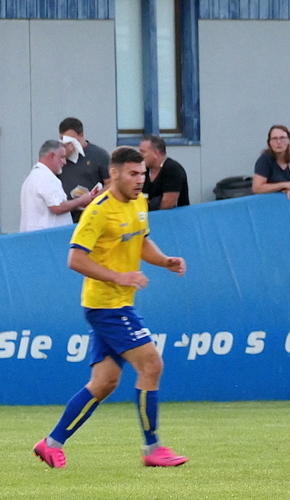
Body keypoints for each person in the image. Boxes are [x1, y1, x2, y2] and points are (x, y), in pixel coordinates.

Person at [32, 146, 188, 469]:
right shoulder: (98, 211)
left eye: (142, 174)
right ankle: (153, 448)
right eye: (133, 174)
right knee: (152, 365)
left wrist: (165, 261)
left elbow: (140, 240)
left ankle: (51, 443)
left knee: (104, 383)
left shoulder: (139, 202)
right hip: (106, 306)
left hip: (117, 303)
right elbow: (75, 259)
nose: (140, 180)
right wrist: (120, 277)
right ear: (114, 173)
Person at [20, 140, 95, 232]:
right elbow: (57, 207)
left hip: (34, 234)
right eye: (62, 157)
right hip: (48, 236)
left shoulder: (32, 176)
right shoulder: (46, 177)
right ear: (52, 156)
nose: (64, 162)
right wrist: (81, 200)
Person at [58, 117, 110, 223]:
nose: (68, 145)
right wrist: (62, 157)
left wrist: (94, 198)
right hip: (65, 214)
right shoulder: (58, 157)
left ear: (81, 135)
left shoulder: (99, 155)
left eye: (71, 140)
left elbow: (111, 183)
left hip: (91, 213)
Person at [252, 125, 290, 202]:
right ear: (269, 143)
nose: (278, 142)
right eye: (274, 139)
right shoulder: (264, 160)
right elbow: (257, 188)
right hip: (268, 202)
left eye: (282, 138)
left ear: (289, 140)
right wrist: (284, 185)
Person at [139, 135, 190, 210]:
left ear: (156, 153)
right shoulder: (144, 170)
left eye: (143, 152)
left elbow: (168, 204)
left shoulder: (173, 169)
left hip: (172, 215)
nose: (139, 156)